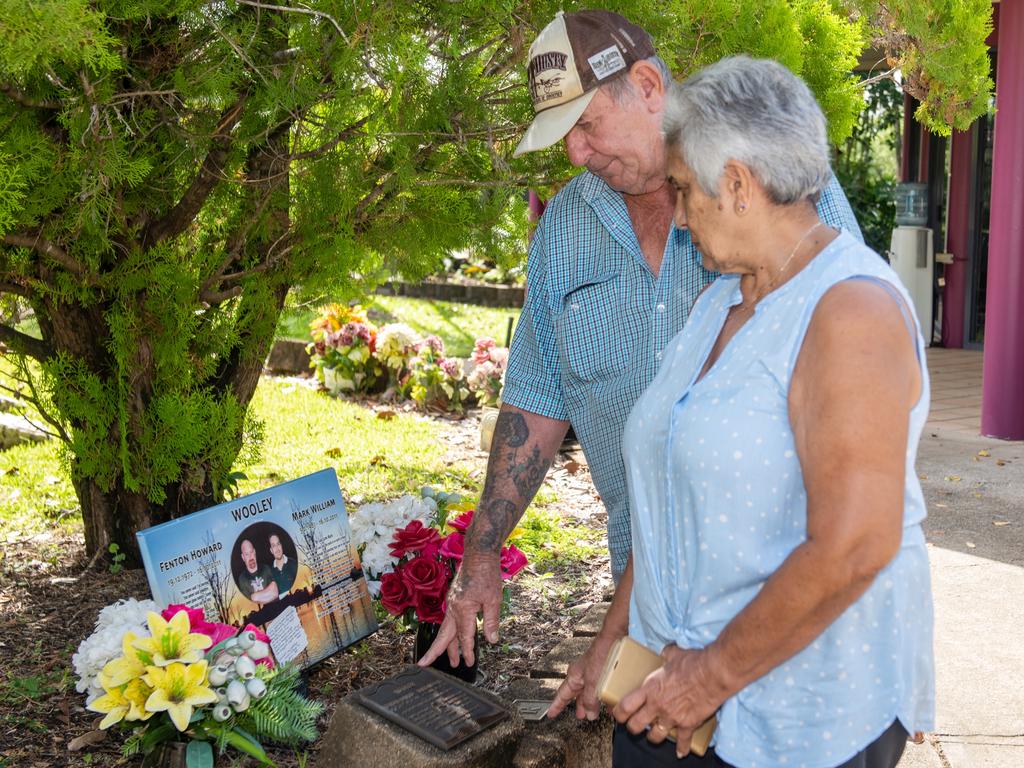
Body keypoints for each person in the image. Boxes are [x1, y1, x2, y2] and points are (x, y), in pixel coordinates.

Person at [420, 9, 862, 673]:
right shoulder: (565, 228)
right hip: (645, 590)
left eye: (587, 125)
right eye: (564, 135)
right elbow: (537, 400)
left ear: (650, 86)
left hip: (784, 599)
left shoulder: (781, 193)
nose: (574, 154)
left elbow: (856, 414)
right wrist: (481, 554)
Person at [549, 56, 934, 768]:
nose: (682, 214)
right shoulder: (720, 301)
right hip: (671, 694)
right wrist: (615, 635)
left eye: (687, 190)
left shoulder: (850, 309)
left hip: (801, 715)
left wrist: (709, 676)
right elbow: (668, 488)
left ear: (737, 183)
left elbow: (854, 543)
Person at [236, 539, 279, 604]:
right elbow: (250, 603)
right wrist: (268, 593)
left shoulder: (265, 568)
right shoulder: (242, 579)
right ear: (243, 557)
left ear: (254, 552)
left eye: (251, 552)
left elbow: (275, 593)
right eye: (247, 554)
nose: (250, 557)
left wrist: (255, 596)